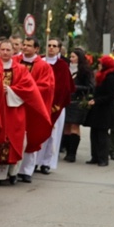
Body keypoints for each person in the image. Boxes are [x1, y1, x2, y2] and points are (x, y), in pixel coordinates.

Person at [0, 41, 50, 184]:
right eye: (2, 49)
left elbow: (29, 88)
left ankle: (13, 173)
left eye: (8, 49)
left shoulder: (20, 68)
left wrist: (10, 90)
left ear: (13, 51)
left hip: (14, 110)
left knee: (15, 141)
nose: (4, 52)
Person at [15, 36, 55, 183]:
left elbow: (46, 87)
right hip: (14, 104)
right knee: (13, 137)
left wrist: (25, 91)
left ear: (36, 49)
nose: (25, 47)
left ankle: (26, 170)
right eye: (24, 45)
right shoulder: (15, 61)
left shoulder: (43, 66)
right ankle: (11, 170)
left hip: (32, 107)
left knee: (31, 138)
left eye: (29, 45)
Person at [37, 37, 74, 174]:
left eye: (54, 46)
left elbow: (64, 88)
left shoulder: (62, 66)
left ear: (59, 49)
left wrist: (55, 104)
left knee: (53, 135)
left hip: (55, 106)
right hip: (40, 105)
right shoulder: (40, 62)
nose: (51, 48)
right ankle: (35, 161)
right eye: (49, 45)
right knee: (38, 133)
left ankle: (47, 162)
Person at [63, 48, 94, 162]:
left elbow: (90, 87)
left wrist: (75, 88)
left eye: (73, 57)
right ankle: (66, 150)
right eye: (70, 57)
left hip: (77, 101)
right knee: (66, 126)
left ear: (79, 58)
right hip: (65, 100)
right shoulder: (65, 69)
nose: (71, 59)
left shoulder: (84, 71)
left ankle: (72, 153)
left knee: (74, 126)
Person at [86, 56, 114, 167]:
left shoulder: (110, 77)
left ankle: (103, 158)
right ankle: (95, 156)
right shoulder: (100, 76)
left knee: (102, 135)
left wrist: (96, 100)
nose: (98, 65)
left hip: (105, 110)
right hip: (97, 109)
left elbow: (110, 96)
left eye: (100, 63)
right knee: (94, 133)